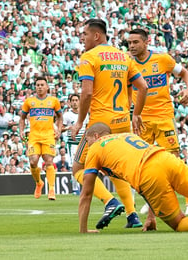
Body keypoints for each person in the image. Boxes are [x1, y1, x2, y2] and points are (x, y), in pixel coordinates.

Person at [77, 122, 188, 233]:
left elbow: (86, 193)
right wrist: (151, 216)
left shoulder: (96, 148)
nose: (88, 145)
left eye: (88, 140)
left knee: (179, 223)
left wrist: (83, 229)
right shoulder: (128, 136)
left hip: (147, 175)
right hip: (165, 158)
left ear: (97, 136)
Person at [71, 19, 148, 229]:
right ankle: (132, 215)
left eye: (85, 35)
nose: (82, 39)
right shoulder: (124, 57)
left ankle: (110, 201)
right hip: (123, 124)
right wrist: (136, 114)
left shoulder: (89, 57)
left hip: (100, 126)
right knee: (116, 171)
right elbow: (143, 87)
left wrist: (79, 122)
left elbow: (86, 92)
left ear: (96, 36)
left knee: (78, 168)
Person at [127, 28, 188, 214]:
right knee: (141, 164)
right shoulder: (127, 64)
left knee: (174, 161)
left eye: (135, 42)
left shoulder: (162, 59)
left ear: (146, 42)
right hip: (141, 121)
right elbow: (127, 92)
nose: (131, 46)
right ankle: (151, 202)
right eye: (129, 43)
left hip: (164, 116)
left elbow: (185, 74)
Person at [19, 76, 63, 200]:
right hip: (34, 136)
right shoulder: (29, 101)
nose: (39, 87)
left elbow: (60, 116)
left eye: (42, 85)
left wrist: (58, 130)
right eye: (37, 85)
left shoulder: (53, 101)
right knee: (33, 162)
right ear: (35, 87)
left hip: (49, 136)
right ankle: (39, 183)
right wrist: (21, 131)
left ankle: (51, 189)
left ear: (47, 87)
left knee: (49, 161)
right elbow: (22, 118)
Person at [62, 94, 88, 165]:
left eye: (76, 100)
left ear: (79, 102)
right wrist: (68, 128)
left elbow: (87, 128)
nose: (74, 102)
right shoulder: (67, 115)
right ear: (70, 102)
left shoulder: (85, 114)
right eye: (73, 100)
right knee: (74, 165)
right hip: (72, 144)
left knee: (84, 164)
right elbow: (60, 129)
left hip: (83, 144)